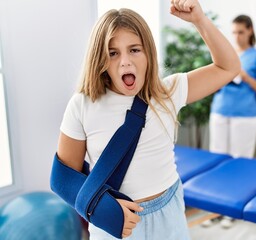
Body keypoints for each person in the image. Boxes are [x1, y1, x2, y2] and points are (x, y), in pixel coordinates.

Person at [53, 0, 240, 239]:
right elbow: (63, 178)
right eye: (113, 53)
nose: (125, 61)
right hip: (116, 218)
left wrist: (200, 21)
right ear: (100, 60)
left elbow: (229, 67)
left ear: (148, 53)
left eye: (134, 49)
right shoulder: (83, 104)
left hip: (168, 212)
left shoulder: (168, 92)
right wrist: (104, 209)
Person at [205, 14, 256, 229]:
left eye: (240, 32)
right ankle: (216, 208)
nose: (236, 36)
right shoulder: (227, 54)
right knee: (217, 161)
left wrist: (245, 76)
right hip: (220, 111)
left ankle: (232, 210)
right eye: (233, 32)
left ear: (250, 31)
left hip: (245, 116)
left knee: (240, 163)